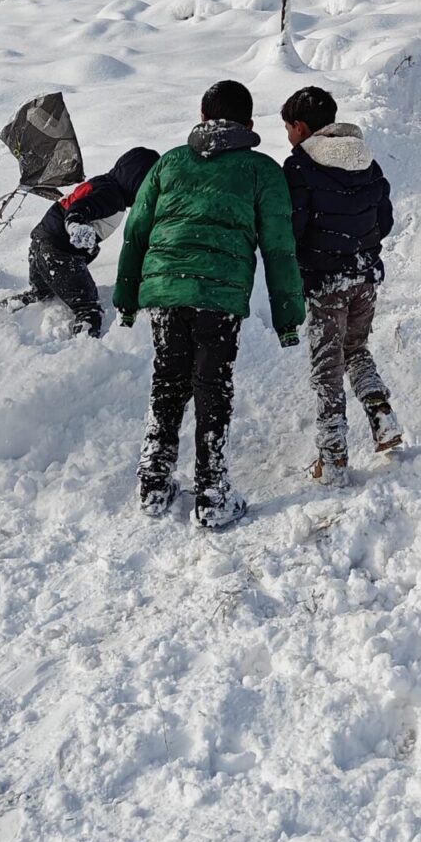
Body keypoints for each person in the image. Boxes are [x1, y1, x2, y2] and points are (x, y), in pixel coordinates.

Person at [114, 80, 305, 529]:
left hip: (165, 290)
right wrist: (287, 317)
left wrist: (126, 298)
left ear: (202, 118)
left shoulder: (169, 163)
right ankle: (213, 491)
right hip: (218, 296)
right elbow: (279, 248)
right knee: (211, 387)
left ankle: (154, 482)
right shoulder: (262, 171)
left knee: (168, 381)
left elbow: (136, 232)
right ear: (249, 124)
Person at [281, 86, 404, 487]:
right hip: (364, 278)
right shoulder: (366, 161)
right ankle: (381, 413)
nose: (288, 136)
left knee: (327, 366)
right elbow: (384, 221)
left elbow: (294, 227)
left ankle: (333, 454)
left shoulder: (299, 167)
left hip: (325, 282)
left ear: (300, 127)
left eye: (288, 128)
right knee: (356, 350)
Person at [13, 147, 160, 336]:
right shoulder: (111, 196)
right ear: (138, 181)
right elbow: (80, 208)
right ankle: (84, 347)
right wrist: (75, 224)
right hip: (59, 253)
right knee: (88, 308)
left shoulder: (105, 184)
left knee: (42, 293)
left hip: (42, 242)